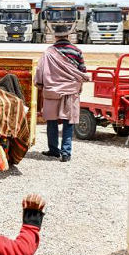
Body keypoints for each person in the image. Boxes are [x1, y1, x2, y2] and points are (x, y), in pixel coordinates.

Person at [35, 24, 91, 162]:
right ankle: (66, 153)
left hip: (52, 92)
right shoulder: (77, 51)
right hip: (71, 92)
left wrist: (41, 85)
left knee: (52, 122)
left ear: (55, 36)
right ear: (68, 35)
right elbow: (82, 72)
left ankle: (54, 150)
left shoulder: (48, 52)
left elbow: (40, 72)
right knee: (68, 122)